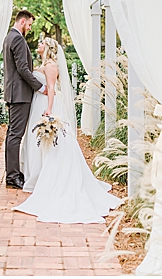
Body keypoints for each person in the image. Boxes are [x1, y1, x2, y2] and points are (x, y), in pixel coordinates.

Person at [13, 37, 122, 224]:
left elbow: (52, 89)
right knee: (38, 142)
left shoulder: (50, 66)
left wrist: (49, 110)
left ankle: (46, 177)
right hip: (40, 103)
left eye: (41, 43)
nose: (38, 45)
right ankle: (37, 175)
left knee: (52, 142)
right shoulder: (45, 64)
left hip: (48, 105)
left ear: (47, 47)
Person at [2, 10, 46, 189]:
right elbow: (22, 69)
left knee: (12, 134)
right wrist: (40, 86)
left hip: (13, 93)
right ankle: (12, 177)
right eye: (29, 24)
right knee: (15, 135)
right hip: (20, 94)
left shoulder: (8, 37)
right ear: (22, 21)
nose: (29, 28)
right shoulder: (18, 38)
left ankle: (12, 173)